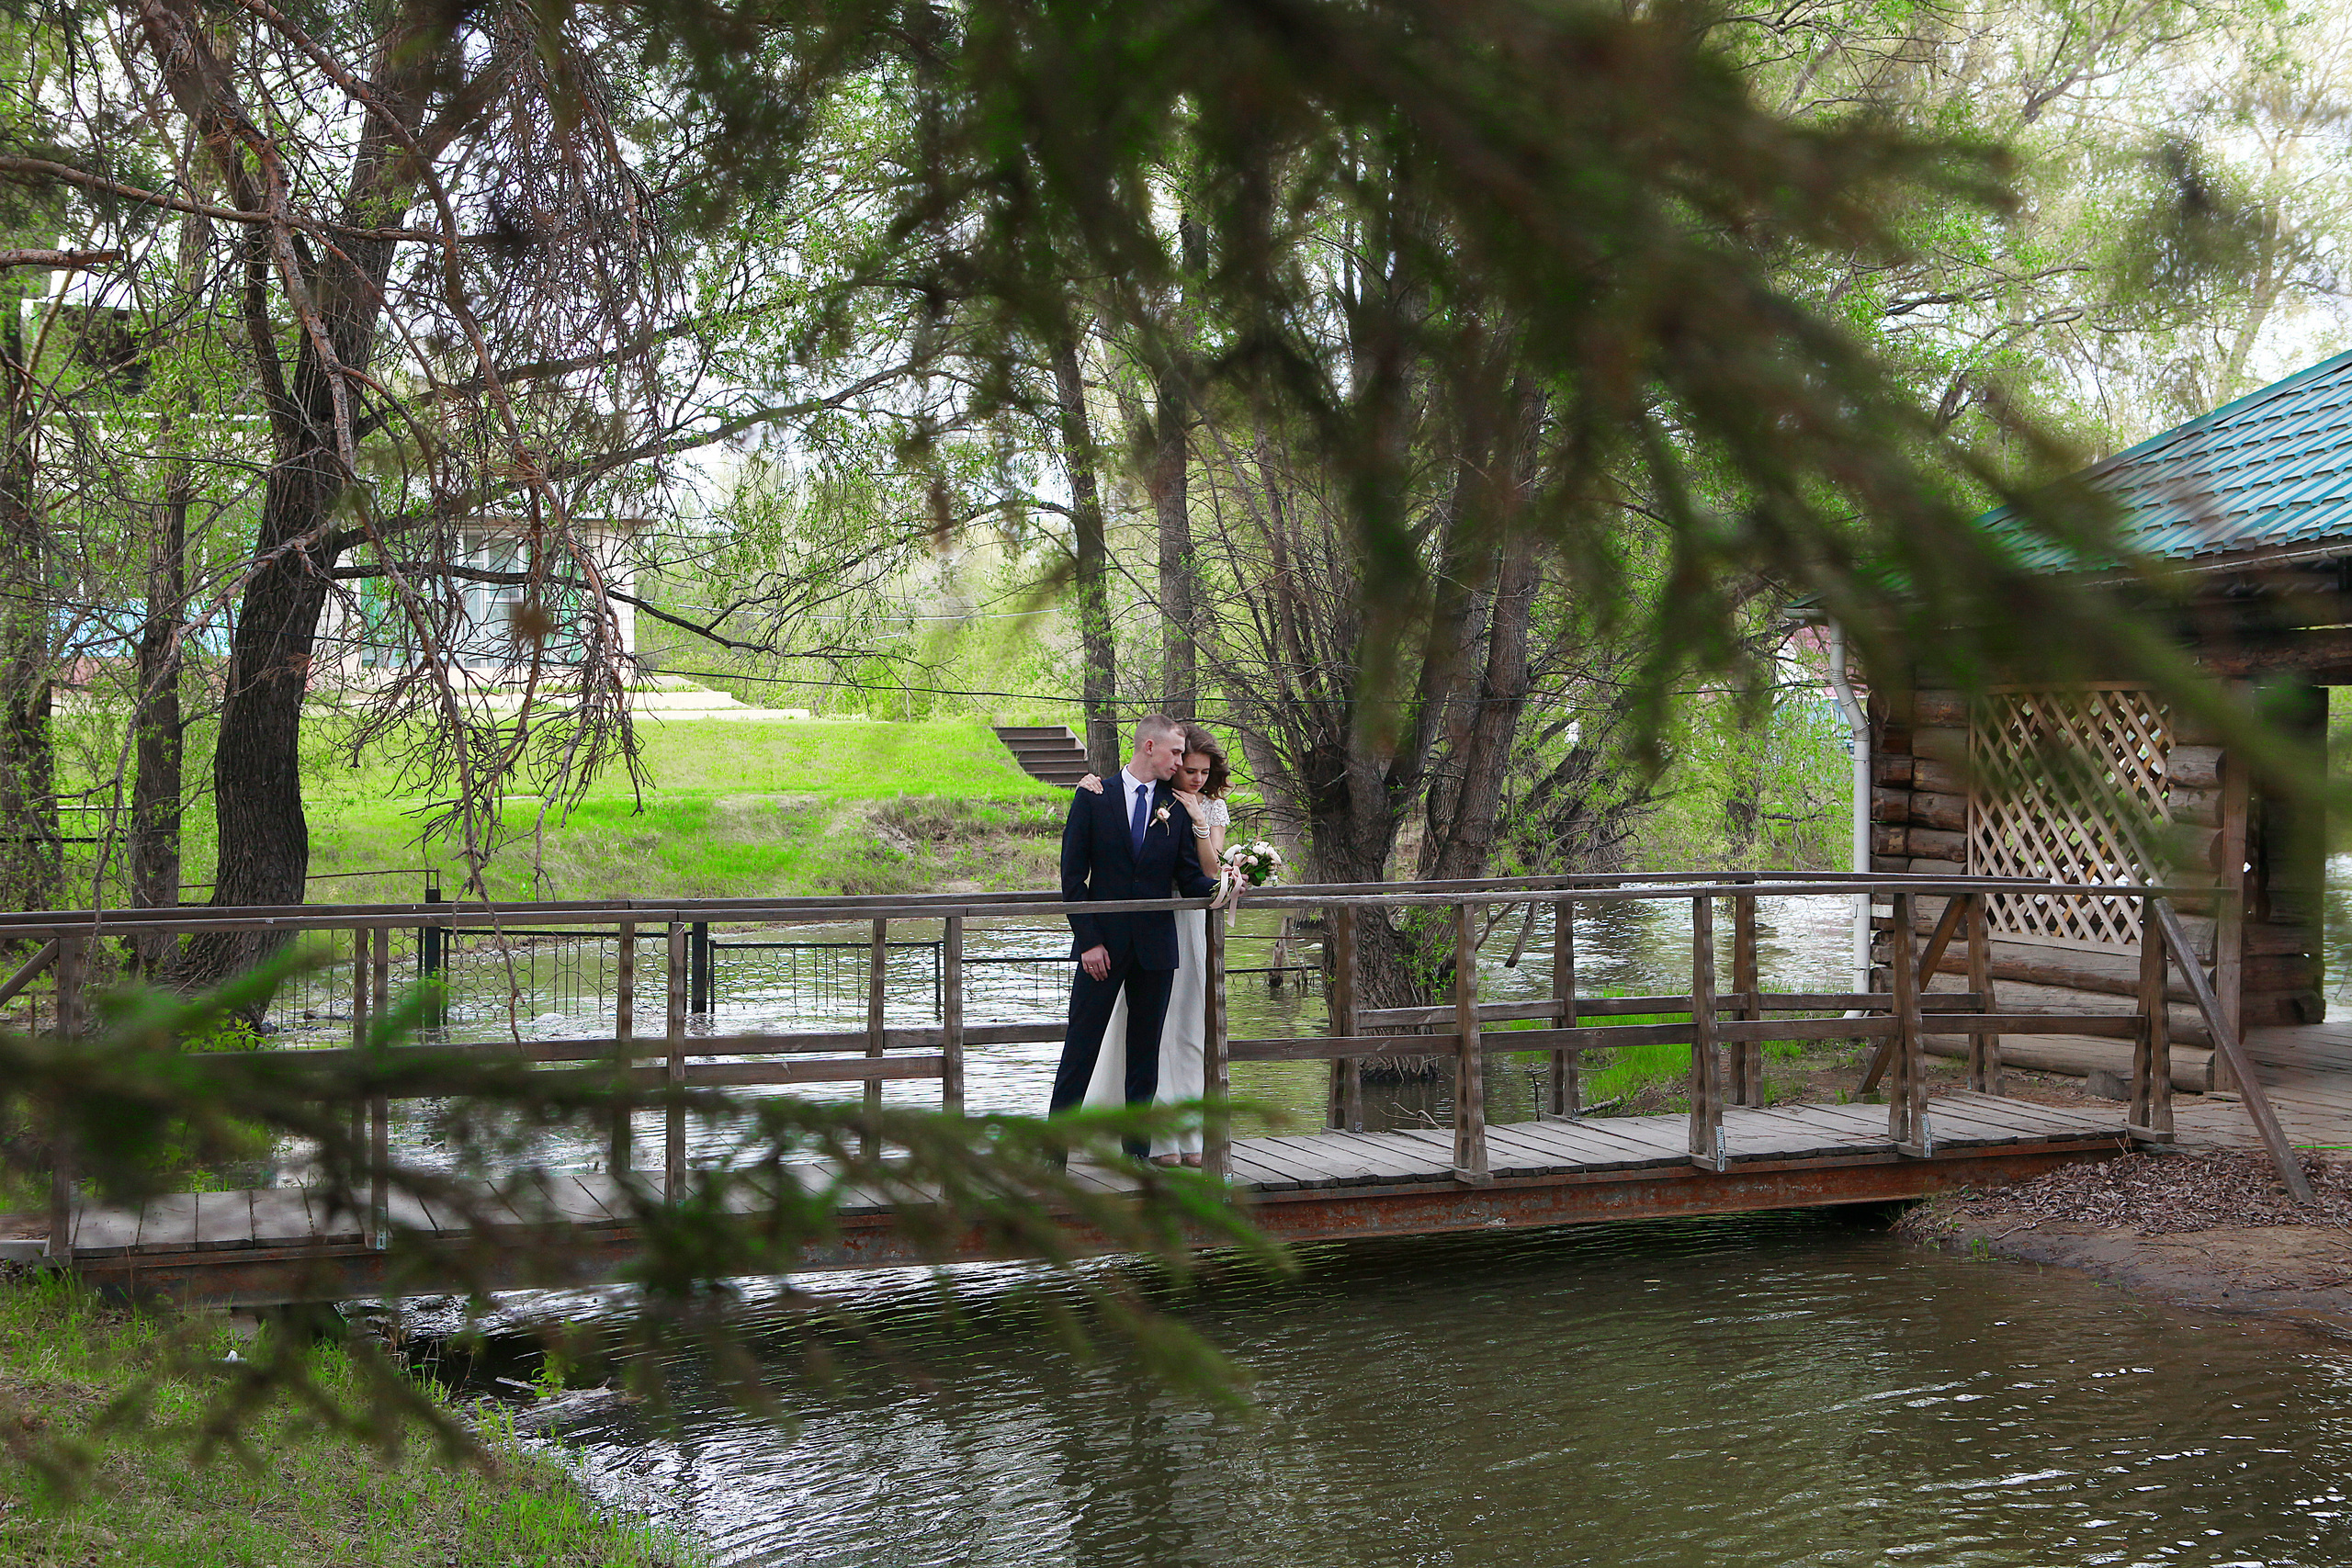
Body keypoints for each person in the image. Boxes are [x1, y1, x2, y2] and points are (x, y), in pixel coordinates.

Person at [1049, 715, 1232, 1163]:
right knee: (1080, 1046)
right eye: (1175, 753)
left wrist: (1225, 885)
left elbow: (1190, 877)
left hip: (1155, 948)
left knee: (1144, 1053)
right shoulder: (1095, 797)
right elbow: (1073, 879)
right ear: (1149, 747)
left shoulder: (1176, 803)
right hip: (1102, 949)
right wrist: (1089, 941)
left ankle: (1136, 1154)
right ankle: (1052, 1154)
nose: (1180, 761)